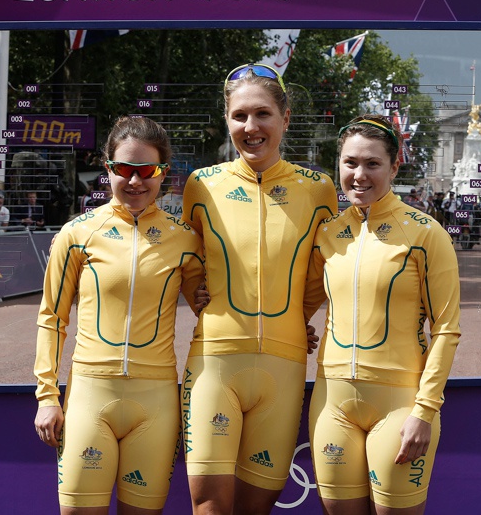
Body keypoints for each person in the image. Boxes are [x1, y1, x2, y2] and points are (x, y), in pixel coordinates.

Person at [180, 63, 337, 515]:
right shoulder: (202, 185)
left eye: (263, 114)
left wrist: (297, 319)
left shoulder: (318, 189)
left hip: (284, 365)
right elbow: (181, 250)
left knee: (256, 508)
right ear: (227, 120)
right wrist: (196, 292)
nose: (251, 127)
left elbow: (329, 266)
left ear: (285, 119)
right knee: (208, 504)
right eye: (240, 116)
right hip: (215, 364)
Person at [33, 116, 205, 515]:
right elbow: (51, 318)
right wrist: (47, 396)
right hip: (90, 396)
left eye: (147, 171)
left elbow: (211, 308)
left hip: (156, 400)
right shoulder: (77, 233)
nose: (135, 182)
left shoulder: (186, 239)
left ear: (163, 172)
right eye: (124, 170)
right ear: (107, 168)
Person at [307, 114, 461, 514]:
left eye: (372, 164)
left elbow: (446, 330)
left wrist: (424, 412)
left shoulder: (426, 233)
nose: (359, 174)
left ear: (395, 166)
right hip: (332, 402)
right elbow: (295, 299)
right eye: (350, 163)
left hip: (400, 405)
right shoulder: (326, 233)